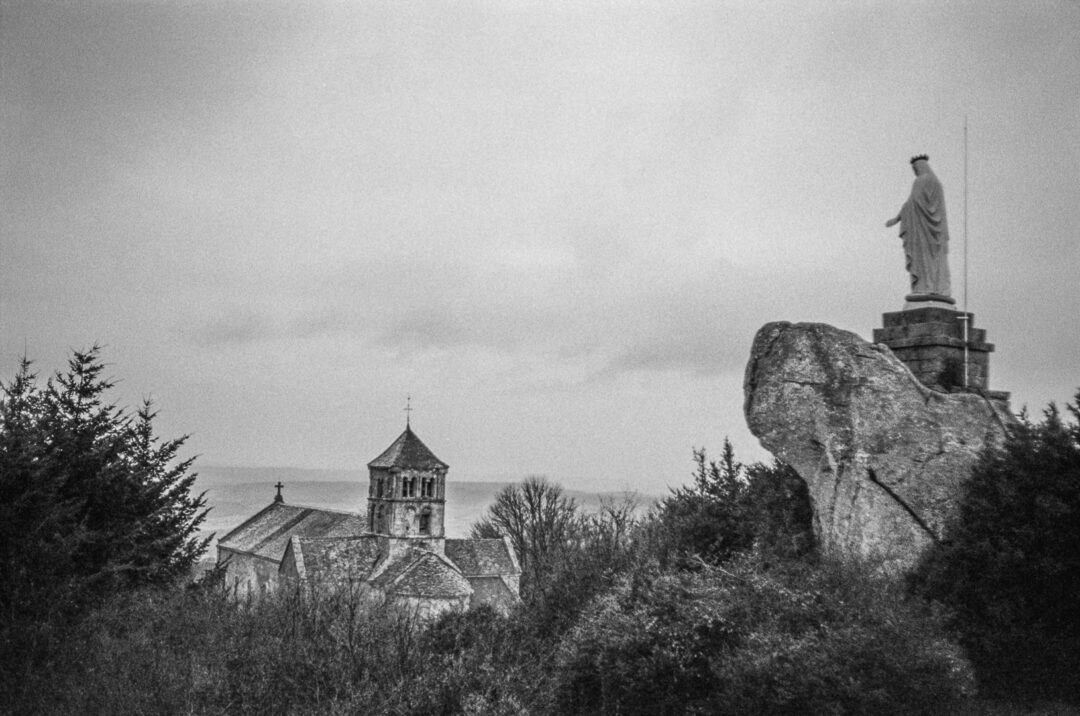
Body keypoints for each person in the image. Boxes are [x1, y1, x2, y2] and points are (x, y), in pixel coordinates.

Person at [886, 155, 951, 297]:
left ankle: (925, 287)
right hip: (935, 233)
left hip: (922, 231)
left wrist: (897, 219)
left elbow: (913, 203)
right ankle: (937, 287)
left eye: (915, 168)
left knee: (923, 261)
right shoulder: (937, 184)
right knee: (935, 262)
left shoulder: (921, 181)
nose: (915, 172)